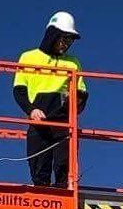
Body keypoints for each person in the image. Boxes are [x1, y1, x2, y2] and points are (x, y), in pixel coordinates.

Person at [12, 11, 87, 188]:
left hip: (63, 123)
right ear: (52, 34)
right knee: (38, 168)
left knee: (64, 168)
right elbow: (19, 90)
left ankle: (63, 192)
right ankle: (43, 199)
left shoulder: (73, 63)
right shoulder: (28, 57)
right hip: (39, 120)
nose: (66, 44)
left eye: (70, 40)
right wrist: (31, 110)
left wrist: (70, 106)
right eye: (63, 38)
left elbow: (81, 92)